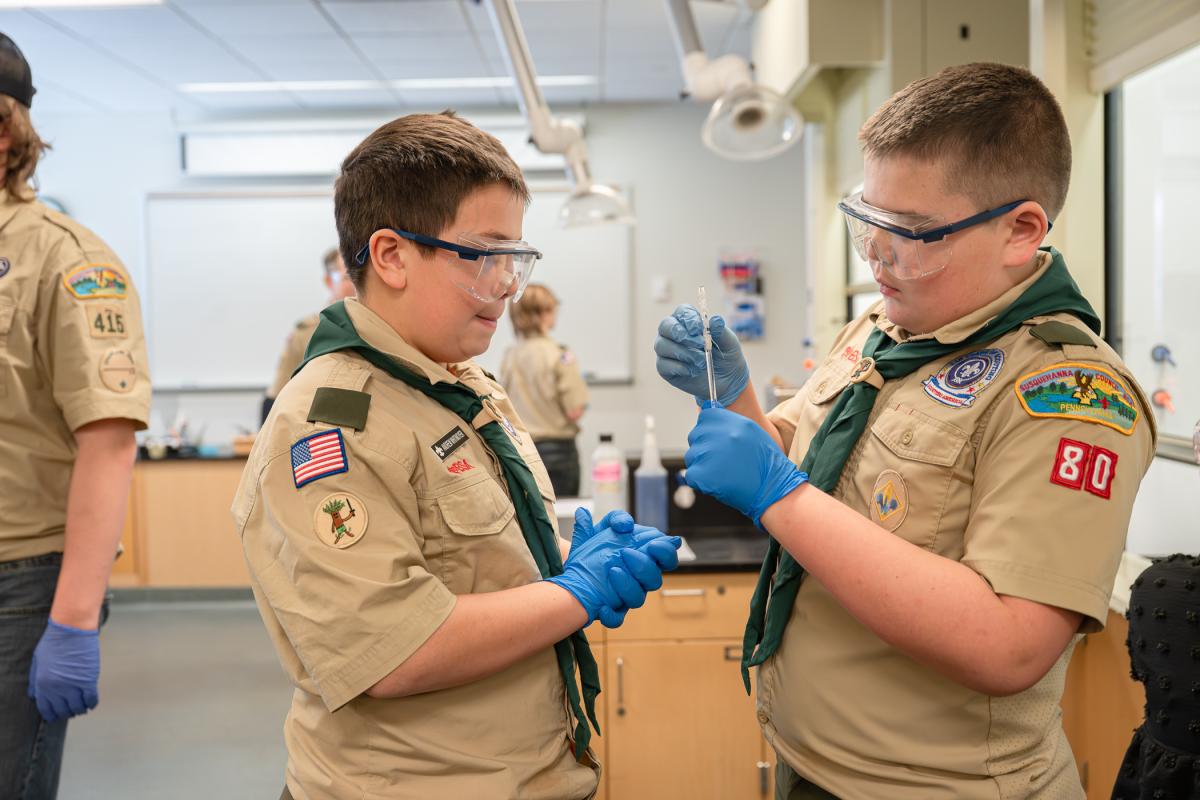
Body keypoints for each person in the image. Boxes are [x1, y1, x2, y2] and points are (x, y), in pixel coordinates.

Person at [655, 62, 1157, 799]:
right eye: (869, 221)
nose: (879, 259)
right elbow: (806, 469)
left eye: (913, 234)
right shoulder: (891, 326)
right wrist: (735, 396)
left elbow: (1009, 643)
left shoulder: (1067, 395)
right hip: (817, 766)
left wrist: (778, 494)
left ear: (1022, 230)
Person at [234, 111, 680, 800]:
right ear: (390, 256)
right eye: (484, 254)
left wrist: (559, 561)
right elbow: (394, 650)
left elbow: (473, 564)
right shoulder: (327, 427)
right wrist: (573, 594)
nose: (509, 284)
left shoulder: (458, 383)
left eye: (516, 258)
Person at [0, 33, 151, 800]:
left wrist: (72, 619)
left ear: (4, 134)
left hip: (19, 586)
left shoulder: (68, 262)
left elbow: (109, 443)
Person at [500, 283, 589, 496]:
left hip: (521, 450)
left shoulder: (510, 356)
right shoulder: (560, 355)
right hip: (558, 453)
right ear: (543, 314)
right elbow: (574, 411)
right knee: (562, 521)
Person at [261, 247, 355, 422]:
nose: (357, 284)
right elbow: (276, 397)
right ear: (329, 281)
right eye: (348, 277)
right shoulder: (306, 333)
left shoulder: (379, 328)